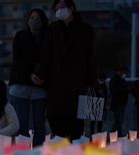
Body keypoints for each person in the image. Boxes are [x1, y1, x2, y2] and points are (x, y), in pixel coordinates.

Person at [34, 0, 97, 140]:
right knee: (57, 123)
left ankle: (74, 154)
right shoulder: (53, 28)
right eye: (56, 8)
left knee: (77, 125)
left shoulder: (85, 29)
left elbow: (90, 56)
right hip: (56, 84)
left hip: (78, 82)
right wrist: (41, 75)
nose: (58, 10)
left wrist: (91, 82)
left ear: (71, 8)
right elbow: (47, 55)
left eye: (61, 7)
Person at [9, 8, 49, 147]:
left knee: (39, 124)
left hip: (40, 86)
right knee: (21, 125)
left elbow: (50, 60)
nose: (34, 21)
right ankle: (23, 153)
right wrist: (29, 74)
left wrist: (42, 75)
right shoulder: (20, 36)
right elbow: (17, 60)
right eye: (31, 17)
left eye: (37, 18)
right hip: (21, 84)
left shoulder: (48, 37)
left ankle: (38, 152)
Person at [109, 66, 129, 137]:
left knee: (119, 121)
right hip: (117, 104)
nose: (125, 74)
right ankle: (116, 134)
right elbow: (113, 91)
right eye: (124, 72)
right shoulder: (115, 80)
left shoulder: (122, 80)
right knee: (118, 121)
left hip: (121, 104)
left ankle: (116, 134)